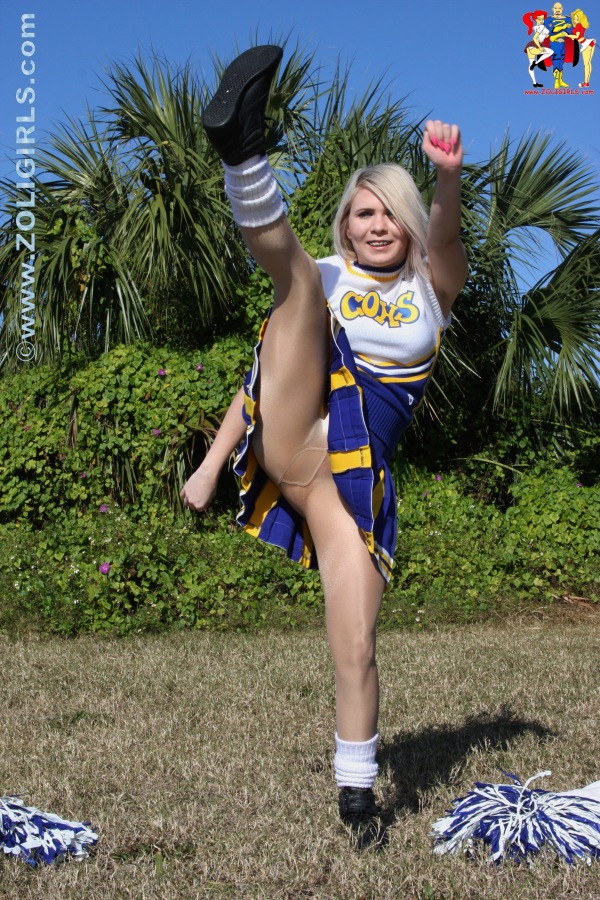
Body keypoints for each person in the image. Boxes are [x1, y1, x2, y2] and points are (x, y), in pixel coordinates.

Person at [181, 45, 467, 850]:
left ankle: (358, 798)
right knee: (296, 283)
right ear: (347, 223)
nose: (376, 226)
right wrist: (210, 466)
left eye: (391, 214)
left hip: (353, 478)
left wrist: (446, 179)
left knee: (357, 644)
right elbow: (261, 377)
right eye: (363, 214)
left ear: (408, 224)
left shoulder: (430, 291)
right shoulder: (329, 274)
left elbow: (447, 244)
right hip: (298, 432)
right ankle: (242, 151)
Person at [522, 10, 555, 86]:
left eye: (542, 19)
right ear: (536, 19)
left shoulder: (536, 27)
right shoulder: (542, 27)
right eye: (539, 19)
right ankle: (536, 63)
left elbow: (545, 35)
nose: (541, 21)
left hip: (529, 47)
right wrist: (540, 47)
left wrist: (550, 29)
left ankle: (534, 83)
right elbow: (535, 38)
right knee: (551, 52)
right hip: (535, 45)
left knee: (531, 65)